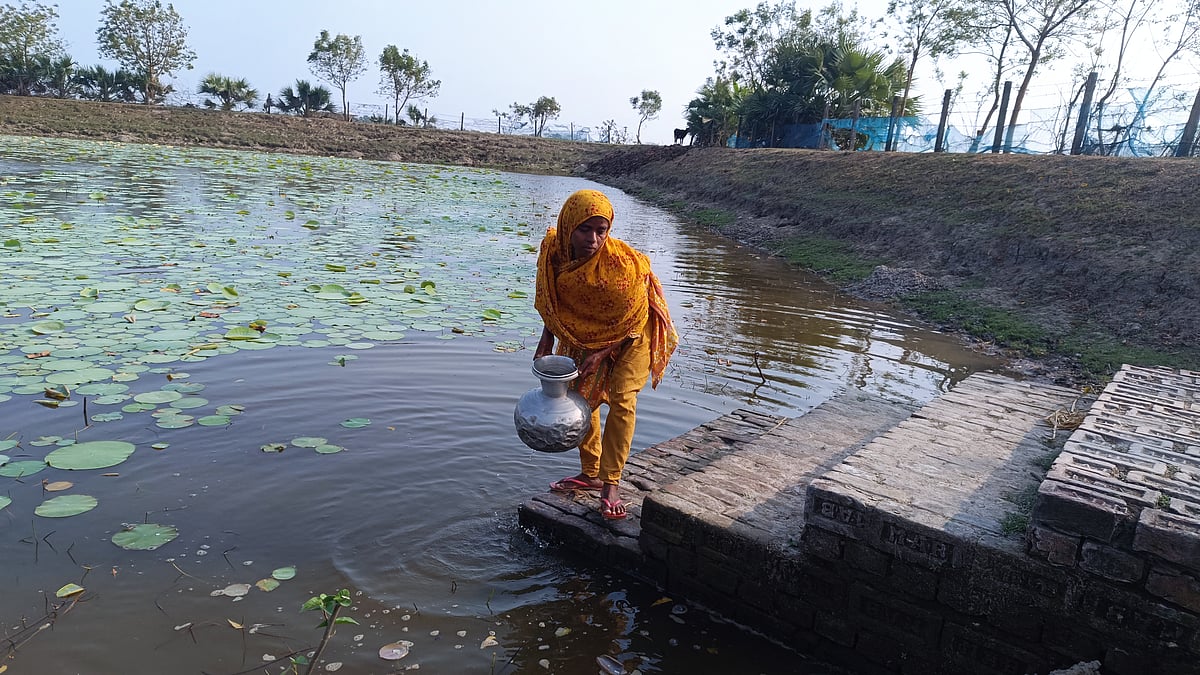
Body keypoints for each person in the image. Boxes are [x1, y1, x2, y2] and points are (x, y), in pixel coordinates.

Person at [533, 189, 678, 520]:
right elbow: (553, 301)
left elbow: (636, 316)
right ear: (568, 225)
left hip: (632, 332)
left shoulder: (619, 270)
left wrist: (601, 354)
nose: (593, 240)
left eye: (602, 230)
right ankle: (591, 474)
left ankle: (611, 483)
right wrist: (547, 338)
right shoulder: (553, 253)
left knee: (621, 397)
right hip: (587, 329)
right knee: (581, 396)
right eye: (585, 230)